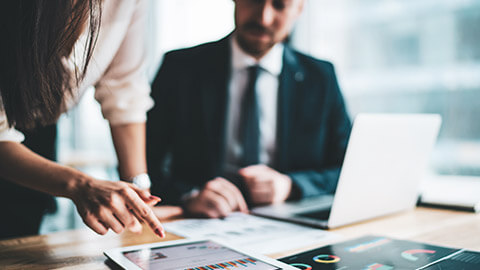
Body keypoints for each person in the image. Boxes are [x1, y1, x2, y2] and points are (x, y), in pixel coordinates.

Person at [147, 0, 352, 218]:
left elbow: (347, 169)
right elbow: (144, 162)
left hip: (290, 223)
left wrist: (291, 186)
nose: (263, 18)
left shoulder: (321, 77)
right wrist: (189, 195)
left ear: (299, 9)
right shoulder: (179, 68)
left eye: (280, 5)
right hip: (199, 221)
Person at [0, 0, 165, 239]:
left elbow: (124, 90)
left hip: (39, 133)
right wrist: (79, 185)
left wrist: (139, 198)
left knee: (23, 233)